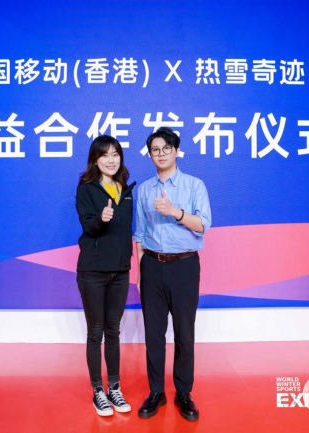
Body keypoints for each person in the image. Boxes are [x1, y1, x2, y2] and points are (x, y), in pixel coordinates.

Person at [134, 127, 211, 421]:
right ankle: (156, 392)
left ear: (177, 151)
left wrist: (175, 212)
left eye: (167, 148)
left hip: (184, 266)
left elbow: (203, 225)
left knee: (184, 333)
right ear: (150, 155)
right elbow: (140, 234)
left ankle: (183, 393)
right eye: (155, 149)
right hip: (152, 265)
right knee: (153, 334)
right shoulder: (144, 190)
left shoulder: (194, 185)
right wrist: (140, 272)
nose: (161, 154)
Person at [75, 135, 136, 416]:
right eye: (104, 155)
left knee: (113, 331)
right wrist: (101, 219)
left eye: (115, 154)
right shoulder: (86, 189)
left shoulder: (126, 189)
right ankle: (97, 391)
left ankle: (114, 387)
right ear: (95, 160)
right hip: (93, 272)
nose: (111, 160)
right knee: (95, 333)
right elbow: (88, 226)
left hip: (120, 272)